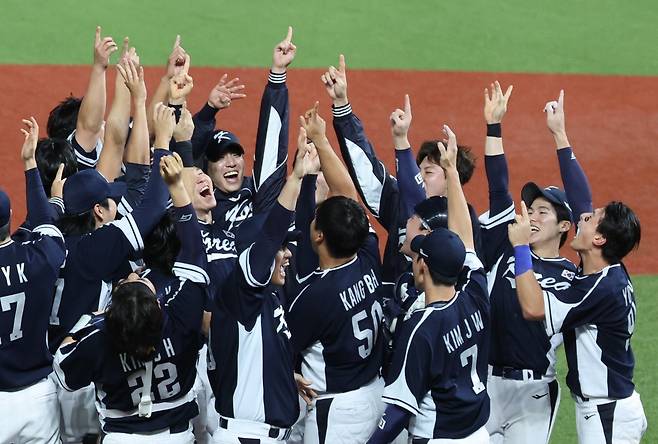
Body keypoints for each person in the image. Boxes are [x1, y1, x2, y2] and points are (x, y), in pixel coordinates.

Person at [508, 91, 647, 444]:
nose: (582, 216)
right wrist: (560, 134)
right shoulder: (606, 270)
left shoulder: (599, 289)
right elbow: (581, 199)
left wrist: (522, 247)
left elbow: (533, 307)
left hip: (607, 413)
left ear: (598, 239)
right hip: (610, 408)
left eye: (590, 219)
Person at [54, 153, 209, 443]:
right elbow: (196, 260)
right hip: (178, 436)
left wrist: (96, 319)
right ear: (157, 305)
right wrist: (177, 188)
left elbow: (63, 366)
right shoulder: (181, 317)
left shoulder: (102, 337)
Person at [369, 125, 490, 443]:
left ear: (421, 266)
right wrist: (450, 171)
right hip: (478, 433)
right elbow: (466, 242)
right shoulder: (475, 294)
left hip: (436, 435)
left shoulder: (422, 326)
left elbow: (397, 413)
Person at [321, 55, 480, 293]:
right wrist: (342, 105)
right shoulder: (400, 197)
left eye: (429, 171)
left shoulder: (463, 222)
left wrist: (401, 142)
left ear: (451, 178)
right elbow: (367, 171)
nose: (421, 176)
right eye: (419, 170)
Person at [479, 82, 576, 444]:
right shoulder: (507, 247)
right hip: (485, 382)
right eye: (531, 209)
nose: (532, 216)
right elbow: (498, 187)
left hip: (534, 392)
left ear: (564, 226)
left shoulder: (572, 277)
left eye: (543, 212)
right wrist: (494, 128)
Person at [286, 103, 386, 443]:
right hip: (376, 393)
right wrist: (322, 140)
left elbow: (284, 347)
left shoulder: (316, 295)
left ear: (318, 237)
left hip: (339, 411)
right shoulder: (368, 255)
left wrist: (290, 370)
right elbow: (348, 196)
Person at [207, 132, 314, 444]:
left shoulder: (263, 295)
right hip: (247, 438)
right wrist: (294, 178)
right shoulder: (240, 293)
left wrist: (282, 377)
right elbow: (268, 238)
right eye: (281, 249)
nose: (287, 254)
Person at [0, 117, 67, 444]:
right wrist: (29, 164)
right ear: (9, 219)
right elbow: (45, 221)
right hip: (36, 398)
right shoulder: (39, 258)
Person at [192, 27, 294, 233]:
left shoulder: (257, 191)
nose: (231, 163)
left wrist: (278, 73)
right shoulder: (201, 201)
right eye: (220, 158)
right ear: (206, 167)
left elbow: (271, 147)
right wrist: (208, 111)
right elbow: (185, 152)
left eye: (236, 154)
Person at [48, 26, 117, 170]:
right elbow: (90, 126)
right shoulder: (83, 162)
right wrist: (99, 68)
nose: (103, 124)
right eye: (100, 124)